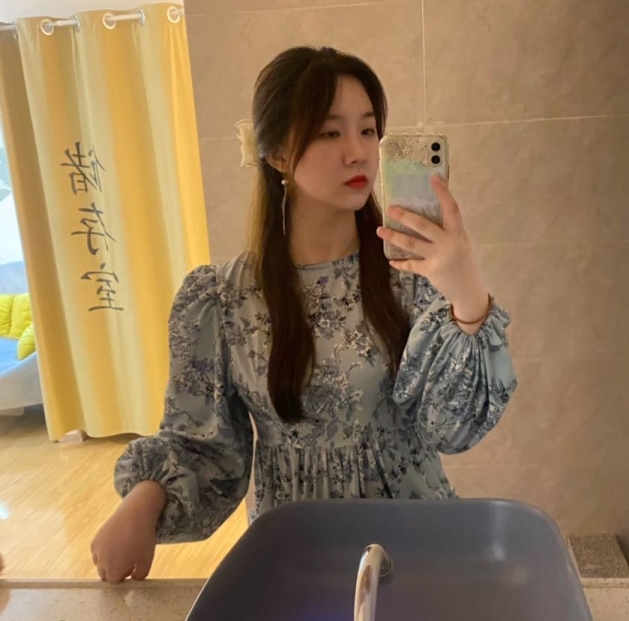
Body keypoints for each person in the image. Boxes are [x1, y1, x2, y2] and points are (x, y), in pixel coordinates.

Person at [91, 46, 518, 583]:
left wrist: (468, 296)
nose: (357, 153)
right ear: (274, 153)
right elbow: (205, 447)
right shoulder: (222, 298)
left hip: (414, 546)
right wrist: (144, 500)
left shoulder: (414, 275)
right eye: (329, 132)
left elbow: (451, 429)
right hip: (295, 554)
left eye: (368, 130)